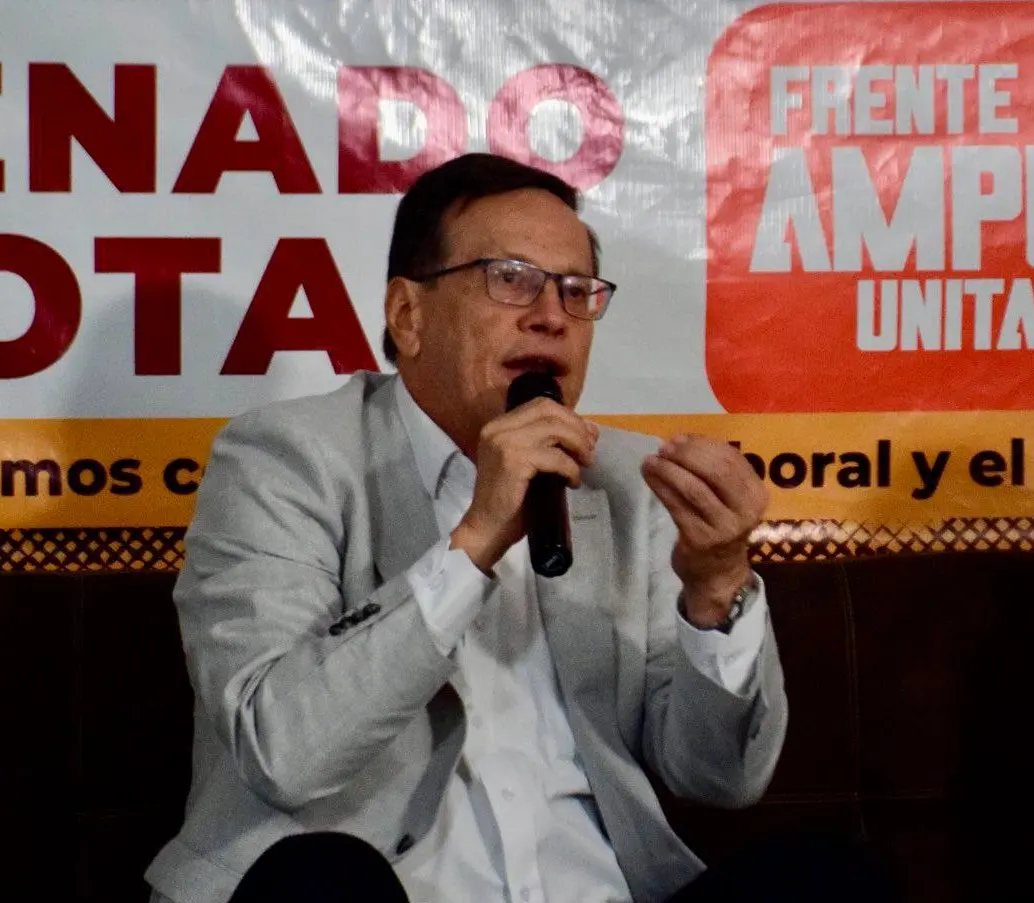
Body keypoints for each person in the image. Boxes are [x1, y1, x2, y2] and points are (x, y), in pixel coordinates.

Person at [146, 153, 890, 903]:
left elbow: (720, 776)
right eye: (511, 278)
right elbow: (284, 750)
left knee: (829, 880)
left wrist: (717, 587)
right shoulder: (286, 457)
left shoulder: (627, 480)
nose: (551, 316)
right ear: (408, 315)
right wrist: (471, 545)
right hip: (381, 892)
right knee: (315, 883)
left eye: (576, 291)